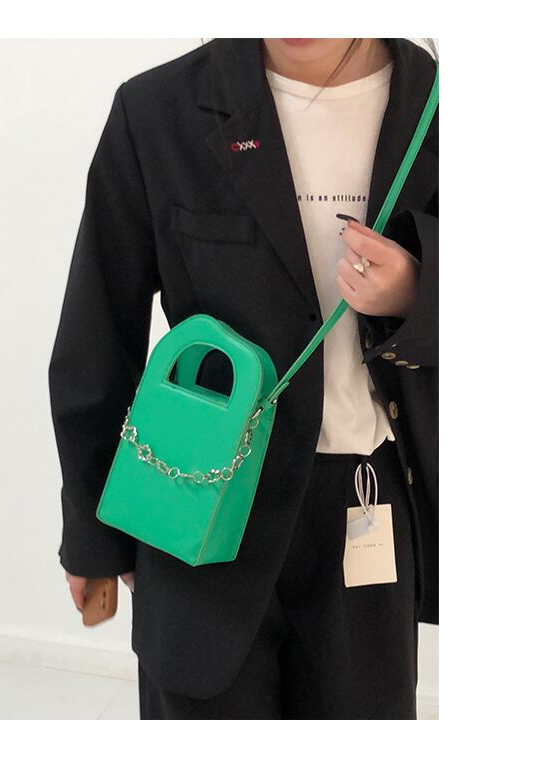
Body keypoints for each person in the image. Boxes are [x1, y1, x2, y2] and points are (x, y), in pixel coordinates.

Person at [48, 38, 438, 720]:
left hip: (367, 503)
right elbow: (97, 332)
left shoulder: (442, 105)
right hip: (197, 499)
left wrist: (419, 293)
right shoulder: (158, 109)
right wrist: (93, 533)